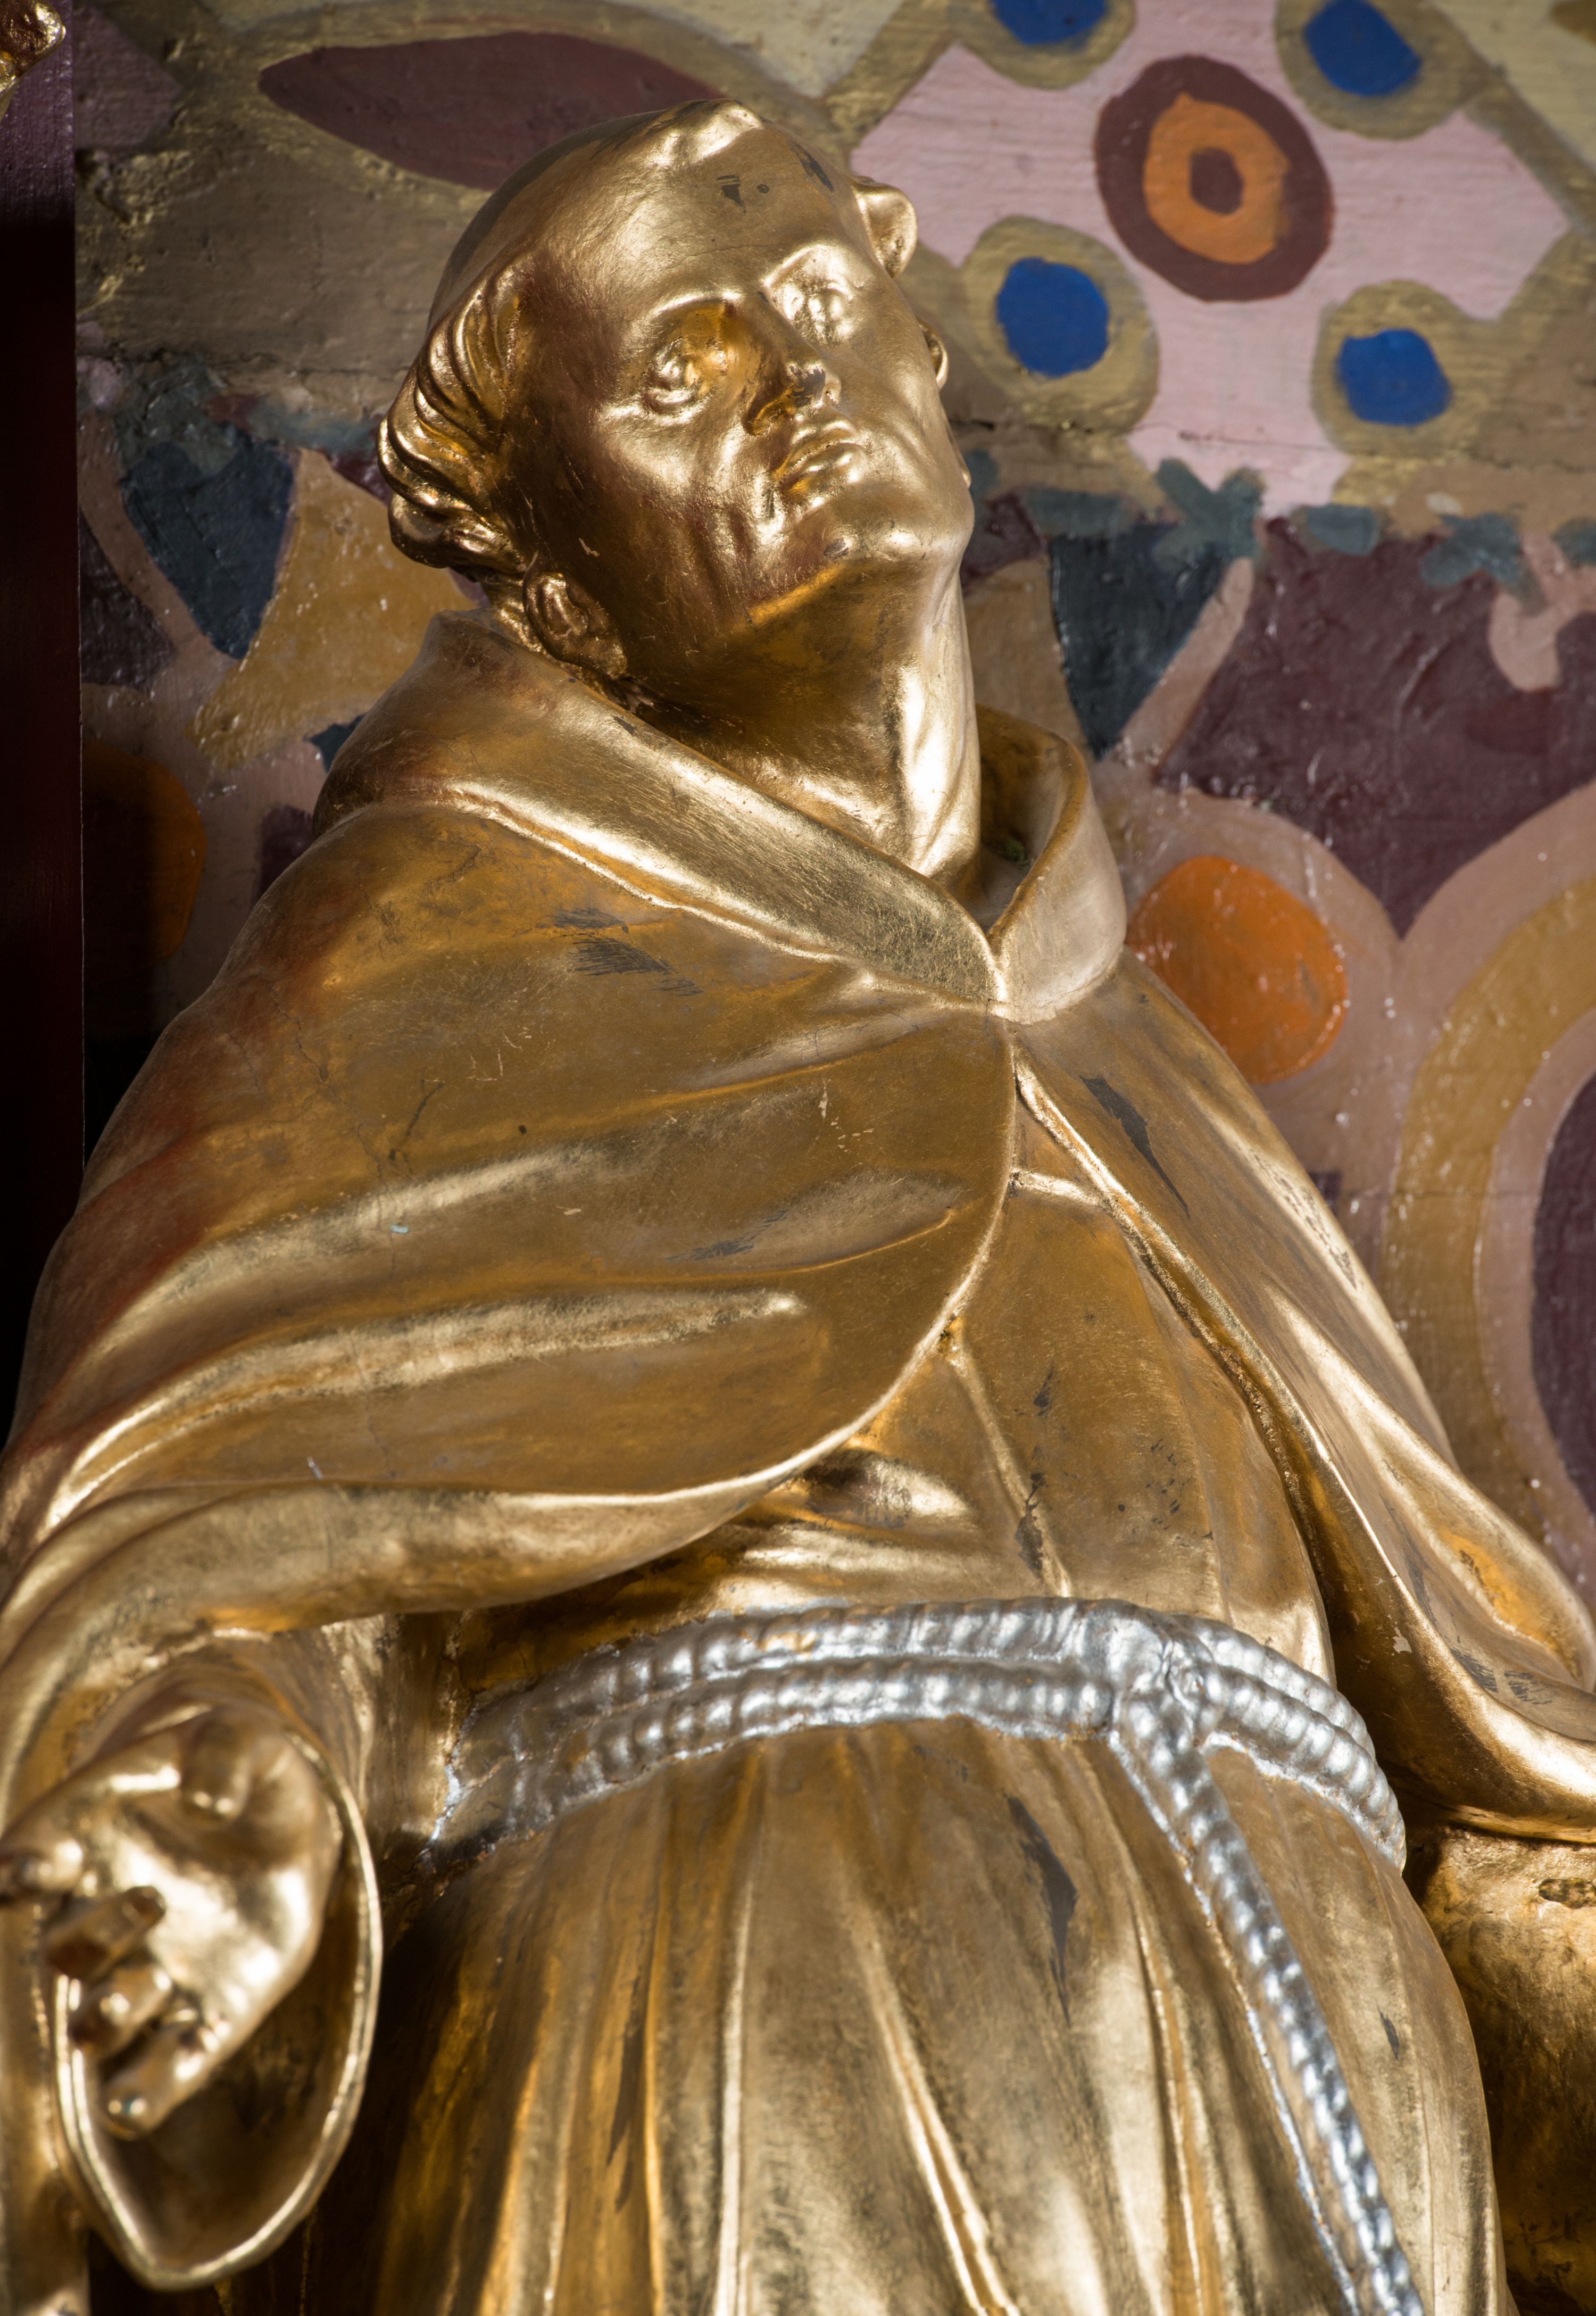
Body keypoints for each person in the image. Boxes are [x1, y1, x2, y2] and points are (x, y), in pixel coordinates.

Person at [3, 97, 1595, 2316]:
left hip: (1309, 2070)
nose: (790, 382)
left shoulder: (1138, 1052)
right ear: (556, 570)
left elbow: (1480, 1720)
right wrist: (209, 1788)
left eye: (821, 303)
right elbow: (223, 1527)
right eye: (680, 368)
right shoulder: (410, 980)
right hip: (750, 2019)